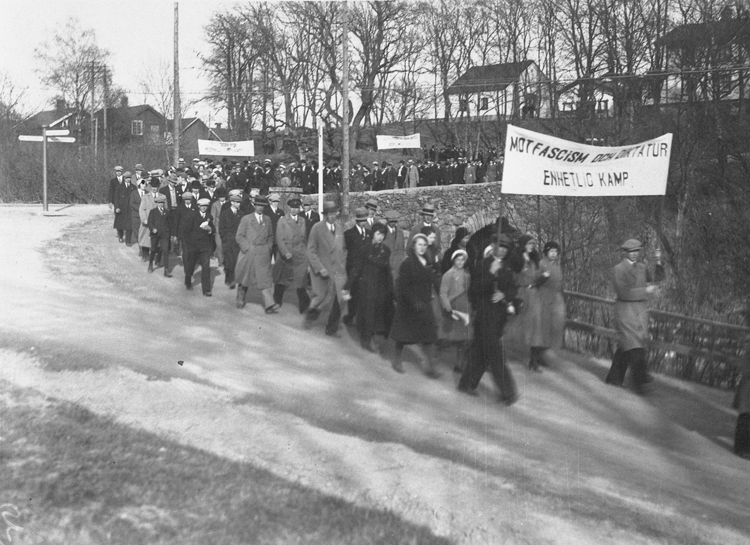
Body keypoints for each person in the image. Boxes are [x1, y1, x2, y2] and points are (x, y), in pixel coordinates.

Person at [457, 234, 519, 405]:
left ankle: (465, 384)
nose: (503, 250)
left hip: (499, 318)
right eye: (500, 246)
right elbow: (474, 291)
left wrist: (504, 294)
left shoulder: (507, 268)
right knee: (496, 354)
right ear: (493, 246)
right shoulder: (482, 265)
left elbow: (513, 289)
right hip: (484, 316)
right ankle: (508, 393)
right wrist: (491, 274)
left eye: (506, 248)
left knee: (481, 353)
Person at [605, 239, 664, 393]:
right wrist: (645, 291)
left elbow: (656, 280)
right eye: (631, 251)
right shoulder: (618, 269)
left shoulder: (642, 267)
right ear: (625, 252)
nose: (634, 254)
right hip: (625, 312)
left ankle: (614, 379)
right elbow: (623, 293)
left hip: (639, 313)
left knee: (627, 346)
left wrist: (658, 261)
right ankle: (640, 382)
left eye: (637, 251)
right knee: (635, 346)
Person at [389, 233, 441, 379]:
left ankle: (430, 366)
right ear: (413, 246)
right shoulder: (407, 263)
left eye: (424, 245)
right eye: (419, 245)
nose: (422, 248)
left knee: (429, 334)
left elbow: (432, 280)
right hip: (409, 304)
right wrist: (414, 302)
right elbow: (403, 286)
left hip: (424, 302)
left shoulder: (427, 262)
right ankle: (397, 360)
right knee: (403, 335)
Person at [347, 223, 394, 352]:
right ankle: (367, 339)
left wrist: (391, 289)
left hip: (380, 286)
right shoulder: (365, 249)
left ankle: (370, 337)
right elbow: (357, 268)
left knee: (376, 313)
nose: (380, 237)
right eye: (378, 234)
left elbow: (387, 270)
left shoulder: (386, 250)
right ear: (373, 234)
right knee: (367, 313)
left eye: (383, 234)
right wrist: (347, 286)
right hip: (366, 286)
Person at [305, 201, 348, 337]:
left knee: (336, 298)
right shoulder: (317, 228)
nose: (332, 216)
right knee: (320, 296)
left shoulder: (340, 228)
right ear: (325, 215)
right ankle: (311, 314)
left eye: (334, 213)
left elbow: (342, 248)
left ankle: (331, 327)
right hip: (322, 269)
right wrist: (319, 268)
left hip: (337, 270)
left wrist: (343, 265)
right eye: (329, 213)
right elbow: (311, 251)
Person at [235, 195, 278, 313]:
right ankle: (240, 296)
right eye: (258, 205)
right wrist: (247, 248)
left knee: (264, 280)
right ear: (254, 206)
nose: (260, 208)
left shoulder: (267, 219)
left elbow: (270, 236)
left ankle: (269, 305)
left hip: (262, 254)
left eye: (262, 206)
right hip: (248, 254)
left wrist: (268, 248)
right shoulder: (246, 219)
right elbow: (239, 236)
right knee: (245, 278)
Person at [511, 234, 546, 372]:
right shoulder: (517, 259)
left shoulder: (534, 259)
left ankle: (534, 360)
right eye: (529, 244)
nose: (531, 246)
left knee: (536, 326)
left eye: (533, 244)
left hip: (534, 295)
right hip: (521, 294)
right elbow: (513, 277)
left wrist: (542, 278)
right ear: (523, 245)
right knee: (517, 324)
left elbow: (537, 276)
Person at [272, 198, 311, 313]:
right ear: (289, 208)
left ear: (299, 208)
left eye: (297, 207)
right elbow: (279, 239)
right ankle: (276, 301)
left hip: (300, 254)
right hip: (286, 254)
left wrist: (306, 254)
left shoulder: (302, 220)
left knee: (300, 280)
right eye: (293, 207)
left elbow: (304, 239)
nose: (294, 210)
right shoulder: (282, 221)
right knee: (281, 280)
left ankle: (304, 306)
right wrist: (285, 252)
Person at [439, 249, 472, 373]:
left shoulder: (467, 275)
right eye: (457, 259)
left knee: (464, 339)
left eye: (462, 260)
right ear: (453, 260)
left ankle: (459, 364)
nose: (460, 262)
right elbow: (443, 293)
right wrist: (447, 308)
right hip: (453, 307)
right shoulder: (448, 274)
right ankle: (437, 357)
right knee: (452, 336)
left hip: (465, 307)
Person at [536, 241, 566, 366]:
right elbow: (535, 281)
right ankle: (538, 355)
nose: (554, 254)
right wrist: (542, 277)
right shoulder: (541, 264)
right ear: (546, 252)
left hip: (556, 298)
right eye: (551, 251)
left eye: (556, 252)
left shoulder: (557, 265)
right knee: (544, 326)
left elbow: (559, 282)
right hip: (544, 297)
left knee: (556, 325)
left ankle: (548, 354)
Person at [342, 207, 370, 326]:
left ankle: (359, 318)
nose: (364, 222)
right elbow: (343, 251)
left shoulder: (369, 233)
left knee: (363, 294)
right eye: (361, 220)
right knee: (353, 293)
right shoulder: (349, 234)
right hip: (353, 268)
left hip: (365, 269)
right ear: (357, 221)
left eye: (365, 220)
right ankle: (350, 316)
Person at [183, 197, 215, 296]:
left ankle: (206, 289)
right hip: (193, 246)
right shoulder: (193, 216)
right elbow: (186, 231)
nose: (204, 208)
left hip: (205, 247)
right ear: (198, 206)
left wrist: (210, 229)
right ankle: (188, 280)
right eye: (202, 206)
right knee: (191, 265)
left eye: (205, 206)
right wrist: (189, 245)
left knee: (206, 267)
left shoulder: (209, 216)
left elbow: (213, 229)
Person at [219, 191, 244, 289]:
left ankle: (233, 279)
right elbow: (221, 228)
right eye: (237, 202)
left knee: (236, 261)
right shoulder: (225, 213)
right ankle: (229, 278)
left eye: (239, 202)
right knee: (229, 262)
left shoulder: (241, 214)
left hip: (237, 242)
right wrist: (225, 239)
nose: (239, 204)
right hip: (228, 242)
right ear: (232, 202)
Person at [146, 194, 172, 277]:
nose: (161, 204)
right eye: (159, 203)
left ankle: (166, 270)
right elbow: (150, 222)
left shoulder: (167, 212)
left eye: (162, 203)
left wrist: (170, 234)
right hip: (155, 234)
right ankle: (150, 264)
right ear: (157, 203)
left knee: (165, 250)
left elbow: (170, 223)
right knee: (153, 249)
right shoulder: (153, 211)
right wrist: (152, 229)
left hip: (165, 234)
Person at [383, 210, 407, 282]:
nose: (393, 223)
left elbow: (402, 249)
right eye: (391, 221)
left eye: (395, 221)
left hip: (397, 266)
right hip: (386, 266)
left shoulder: (400, 232)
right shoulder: (382, 231)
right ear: (387, 221)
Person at [113, 171, 136, 244]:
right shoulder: (119, 187)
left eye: (129, 178)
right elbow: (116, 198)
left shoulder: (133, 187)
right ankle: (120, 236)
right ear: (124, 178)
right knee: (120, 224)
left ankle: (128, 241)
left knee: (129, 225)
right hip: (121, 208)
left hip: (130, 208)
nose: (128, 179)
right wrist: (117, 207)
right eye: (126, 178)